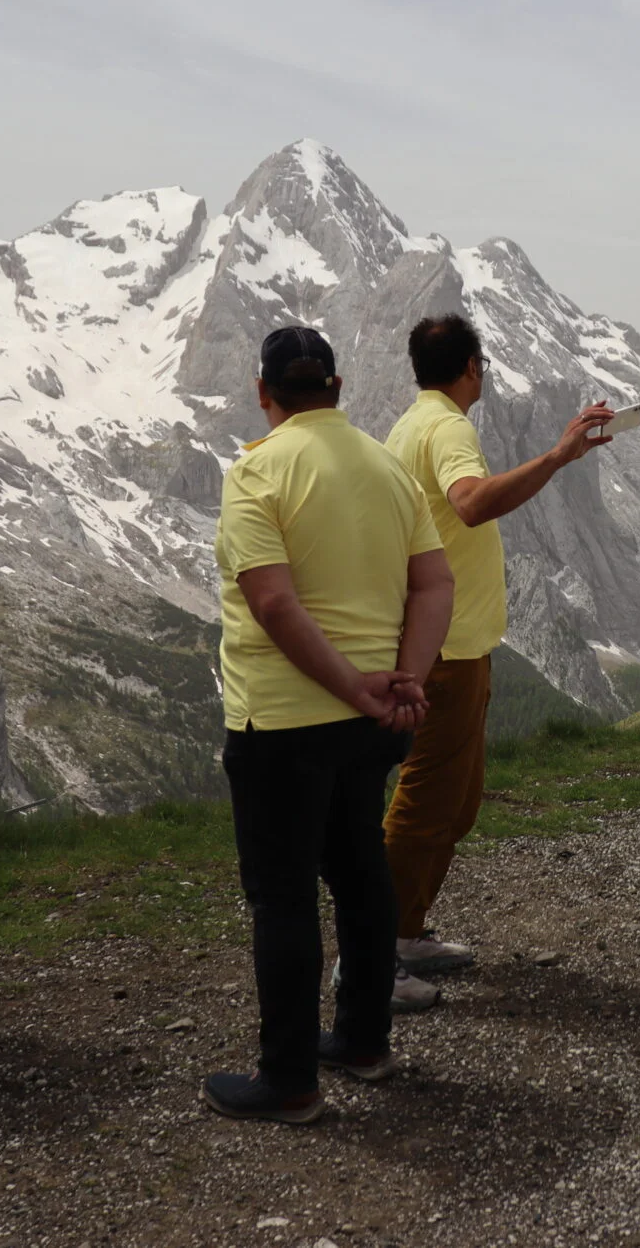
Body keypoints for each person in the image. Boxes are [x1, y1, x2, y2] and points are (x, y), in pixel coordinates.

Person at [203, 326, 455, 1125]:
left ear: (264, 393)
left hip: (282, 721)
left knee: (283, 897)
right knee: (360, 871)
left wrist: (351, 686)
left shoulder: (257, 471)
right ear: (338, 387)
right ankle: (364, 1042)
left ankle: (288, 1082)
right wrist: (404, 679)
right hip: (375, 720)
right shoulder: (387, 466)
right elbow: (435, 584)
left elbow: (274, 603)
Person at [380, 314, 612, 1004]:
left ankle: (404, 932)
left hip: (452, 641)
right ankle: (373, 956)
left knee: (455, 805)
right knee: (424, 805)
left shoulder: (409, 426)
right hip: (446, 649)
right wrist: (558, 456)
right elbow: (471, 503)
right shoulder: (448, 429)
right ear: (473, 368)